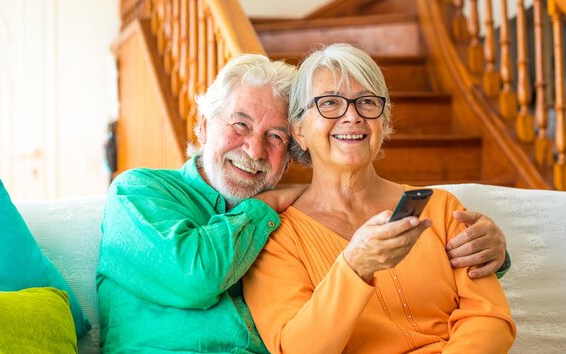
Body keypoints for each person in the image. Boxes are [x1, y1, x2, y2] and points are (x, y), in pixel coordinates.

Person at [96, 53, 510, 353]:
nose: (255, 150)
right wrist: (269, 204)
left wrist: (493, 252)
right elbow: (195, 276)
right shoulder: (140, 191)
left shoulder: (286, 221)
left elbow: (482, 311)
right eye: (240, 124)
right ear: (203, 126)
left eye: (274, 136)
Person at [242, 44, 516, 353]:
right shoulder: (276, 237)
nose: (352, 116)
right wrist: (355, 267)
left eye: (367, 102)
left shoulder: (440, 208)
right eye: (330, 103)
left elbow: (490, 317)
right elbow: (297, 348)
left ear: (383, 123)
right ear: (299, 130)